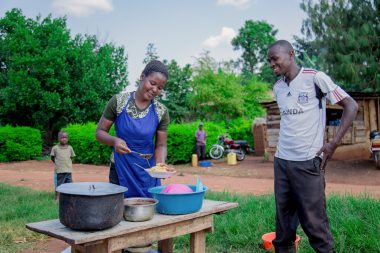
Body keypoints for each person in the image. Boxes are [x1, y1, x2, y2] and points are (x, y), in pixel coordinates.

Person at [267, 40, 358, 253]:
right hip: (282, 162)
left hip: (308, 162)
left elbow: (351, 106)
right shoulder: (278, 87)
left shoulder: (315, 78)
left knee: (314, 223)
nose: (271, 64)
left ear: (291, 54)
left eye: (275, 58)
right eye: (269, 60)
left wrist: (333, 144)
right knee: (284, 224)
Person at [96, 60, 170, 198]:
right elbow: (100, 132)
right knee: (118, 211)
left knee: (149, 211)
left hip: (148, 172)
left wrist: (160, 165)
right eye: (152, 83)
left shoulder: (161, 111)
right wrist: (115, 141)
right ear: (142, 76)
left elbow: (161, 144)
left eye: (160, 88)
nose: (155, 89)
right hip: (120, 168)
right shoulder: (118, 101)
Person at [50, 131, 76, 200]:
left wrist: (68, 164)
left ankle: (69, 198)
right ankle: (57, 198)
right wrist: (58, 163)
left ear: (68, 138)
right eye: (62, 137)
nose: (64, 139)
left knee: (69, 185)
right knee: (59, 185)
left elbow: (72, 157)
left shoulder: (70, 148)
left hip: (68, 170)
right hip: (59, 171)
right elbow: (52, 158)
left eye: (66, 137)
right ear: (58, 139)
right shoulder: (55, 148)